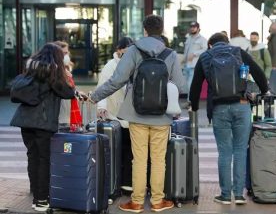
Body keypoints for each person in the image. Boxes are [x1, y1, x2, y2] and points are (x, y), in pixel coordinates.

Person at [90, 14, 185, 213]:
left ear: (144, 30)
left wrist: (95, 96)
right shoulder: (170, 54)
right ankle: (158, 202)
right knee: (159, 159)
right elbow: (180, 85)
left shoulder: (133, 50)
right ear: (162, 30)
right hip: (162, 115)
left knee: (139, 159)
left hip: (136, 113)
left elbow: (116, 81)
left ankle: (137, 202)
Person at [189, 33, 268, 205]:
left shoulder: (206, 57)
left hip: (219, 109)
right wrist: (265, 91)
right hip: (242, 105)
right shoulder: (238, 52)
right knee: (240, 150)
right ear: (227, 43)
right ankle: (238, 195)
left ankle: (225, 195)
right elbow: (258, 72)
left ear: (210, 45)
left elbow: (195, 85)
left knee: (224, 152)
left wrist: (194, 107)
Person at [10, 43, 75, 212]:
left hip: (25, 121)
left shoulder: (31, 70)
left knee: (32, 156)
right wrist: (67, 77)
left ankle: (35, 194)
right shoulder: (53, 73)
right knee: (43, 159)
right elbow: (67, 93)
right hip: (43, 123)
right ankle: (41, 200)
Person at [96, 36, 133, 190]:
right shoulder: (110, 66)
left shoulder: (133, 63)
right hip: (115, 115)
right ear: (119, 50)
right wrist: (101, 106)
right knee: (121, 149)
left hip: (131, 115)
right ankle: (121, 183)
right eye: (126, 51)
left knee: (130, 150)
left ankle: (128, 183)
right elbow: (102, 87)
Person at [54, 41, 83, 131]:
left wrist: (76, 92)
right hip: (59, 118)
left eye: (67, 52)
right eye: (64, 53)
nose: (67, 55)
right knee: (63, 143)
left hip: (65, 116)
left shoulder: (64, 69)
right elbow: (63, 90)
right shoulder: (54, 70)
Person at [182, 21, 207, 100]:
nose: (192, 28)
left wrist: (194, 54)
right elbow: (186, 51)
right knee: (187, 85)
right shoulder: (189, 38)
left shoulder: (202, 39)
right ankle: (189, 101)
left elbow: (205, 49)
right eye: (191, 27)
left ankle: (190, 102)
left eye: (194, 27)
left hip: (194, 65)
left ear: (198, 28)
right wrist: (184, 59)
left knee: (190, 84)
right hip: (187, 64)